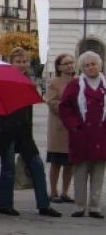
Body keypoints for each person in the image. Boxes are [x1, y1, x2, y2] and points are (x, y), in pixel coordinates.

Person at [0, 47, 61, 218]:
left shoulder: (28, 81)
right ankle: (5, 204)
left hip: (24, 131)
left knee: (37, 166)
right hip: (6, 130)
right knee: (8, 169)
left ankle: (44, 205)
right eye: (18, 62)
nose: (22, 65)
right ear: (11, 62)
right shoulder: (3, 80)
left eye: (24, 62)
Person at [58, 50, 106, 219]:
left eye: (93, 64)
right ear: (82, 68)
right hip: (81, 135)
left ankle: (94, 206)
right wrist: (74, 126)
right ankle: (79, 205)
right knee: (80, 171)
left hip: (102, 135)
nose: (91, 67)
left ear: (99, 65)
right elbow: (64, 108)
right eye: (87, 65)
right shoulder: (75, 85)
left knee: (98, 173)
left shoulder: (104, 84)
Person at [45, 54, 75, 204]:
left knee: (70, 163)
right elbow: (51, 101)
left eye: (71, 62)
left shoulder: (78, 81)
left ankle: (65, 191)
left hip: (73, 129)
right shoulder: (54, 81)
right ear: (59, 67)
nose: (69, 66)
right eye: (66, 63)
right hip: (59, 128)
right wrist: (68, 109)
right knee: (56, 162)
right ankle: (53, 191)